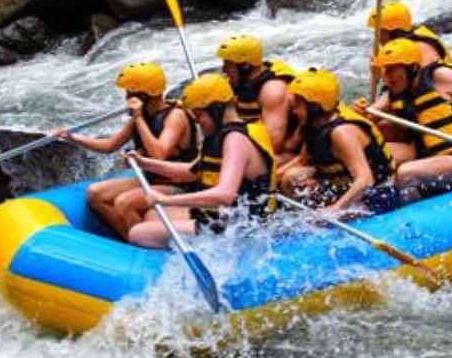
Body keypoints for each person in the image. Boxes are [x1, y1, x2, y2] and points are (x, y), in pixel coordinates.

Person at [127, 73, 278, 248]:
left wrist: (166, 200)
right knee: (151, 216)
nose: (198, 123)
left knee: (137, 233)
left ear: (216, 109)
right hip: (220, 218)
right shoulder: (219, 136)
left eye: (199, 116)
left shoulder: (235, 140)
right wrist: (144, 162)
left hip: (239, 229)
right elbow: (191, 171)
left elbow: (224, 195)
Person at [54, 63, 198, 239]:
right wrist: (72, 137)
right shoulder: (141, 117)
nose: (127, 97)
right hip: (152, 180)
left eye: (130, 93)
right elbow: (109, 146)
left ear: (144, 95)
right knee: (95, 193)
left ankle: (145, 244)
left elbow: (159, 154)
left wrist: (138, 118)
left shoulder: (175, 116)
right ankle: (130, 238)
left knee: (124, 202)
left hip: (179, 185)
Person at [362, 38, 452, 204]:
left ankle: (411, 217)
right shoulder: (395, 90)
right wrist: (360, 111)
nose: (387, 77)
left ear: (412, 68)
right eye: (384, 70)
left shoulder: (439, 76)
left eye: (393, 69)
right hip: (428, 157)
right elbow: (368, 119)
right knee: (372, 156)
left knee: (406, 173)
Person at [279, 68, 398, 216]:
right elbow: (303, 161)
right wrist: (272, 180)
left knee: (314, 223)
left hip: (376, 195)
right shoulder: (313, 127)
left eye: (298, 104)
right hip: (340, 184)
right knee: (290, 178)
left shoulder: (342, 133)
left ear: (314, 106)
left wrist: (334, 210)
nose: (294, 110)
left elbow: (365, 179)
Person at [216, 35, 300, 162]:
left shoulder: (272, 90)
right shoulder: (238, 82)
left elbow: (273, 143)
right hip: (255, 146)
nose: (224, 69)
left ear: (244, 66)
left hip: (286, 153)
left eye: (228, 65)